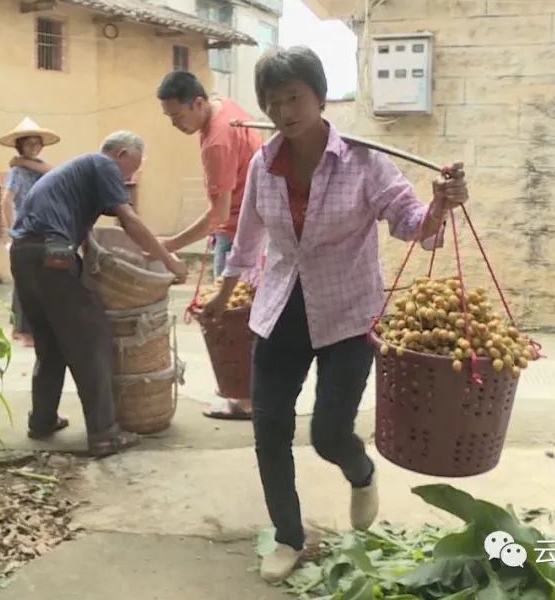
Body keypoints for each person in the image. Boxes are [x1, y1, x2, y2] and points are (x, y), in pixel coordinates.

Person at [200, 47, 469, 583]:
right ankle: (287, 536)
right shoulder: (263, 163)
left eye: (294, 97)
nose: (283, 111)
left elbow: (411, 221)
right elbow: (248, 236)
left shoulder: (364, 162)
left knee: (327, 433)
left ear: (320, 97)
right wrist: (220, 293)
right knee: (269, 428)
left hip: (348, 314)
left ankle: (360, 470)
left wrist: (442, 203)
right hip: (278, 310)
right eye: (273, 102)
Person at [9, 131, 188, 458]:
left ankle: (43, 420)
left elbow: (88, 234)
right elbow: (129, 220)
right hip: (54, 248)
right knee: (91, 335)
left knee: (50, 342)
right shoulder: (103, 165)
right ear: (120, 154)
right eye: (129, 171)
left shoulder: (77, 174)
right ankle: (105, 434)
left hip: (23, 253)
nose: (128, 179)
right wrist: (169, 260)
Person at [156, 71, 264, 421]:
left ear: (199, 103)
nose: (175, 124)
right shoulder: (226, 106)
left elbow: (217, 215)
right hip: (255, 226)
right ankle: (246, 395)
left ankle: (244, 400)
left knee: (229, 320)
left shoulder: (217, 140)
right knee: (248, 318)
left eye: (177, 116)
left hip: (239, 234)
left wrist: (170, 243)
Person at [0, 117, 61, 348]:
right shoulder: (16, 172)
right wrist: (11, 230)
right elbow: (7, 200)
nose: (33, 148)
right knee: (26, 282)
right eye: (28, 144)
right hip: (25, 230)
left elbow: (54, 171)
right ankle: (24, 331)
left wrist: (24, 162)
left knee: (44, 280)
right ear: (20, 145)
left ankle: (39, 328)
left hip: (43, 228)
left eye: (37, 144)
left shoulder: (38, 168)